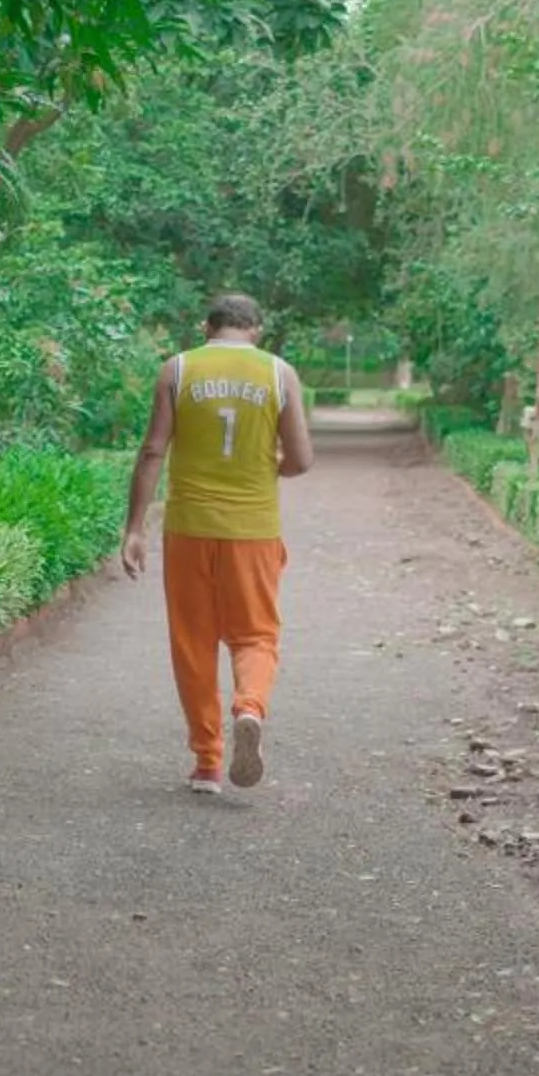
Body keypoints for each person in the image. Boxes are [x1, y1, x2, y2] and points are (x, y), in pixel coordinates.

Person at [119, 292, 316, 793]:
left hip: (189, 526)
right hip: (253, 530)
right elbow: (301, 460)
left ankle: (207, 762)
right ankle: (249, 707)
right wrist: (267, 468)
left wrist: (135, 528)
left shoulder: (177, 370)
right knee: (255, 636)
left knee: (193, 642)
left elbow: (152, 451)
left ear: (207, 326)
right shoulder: (279, 373)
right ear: (256, 330)